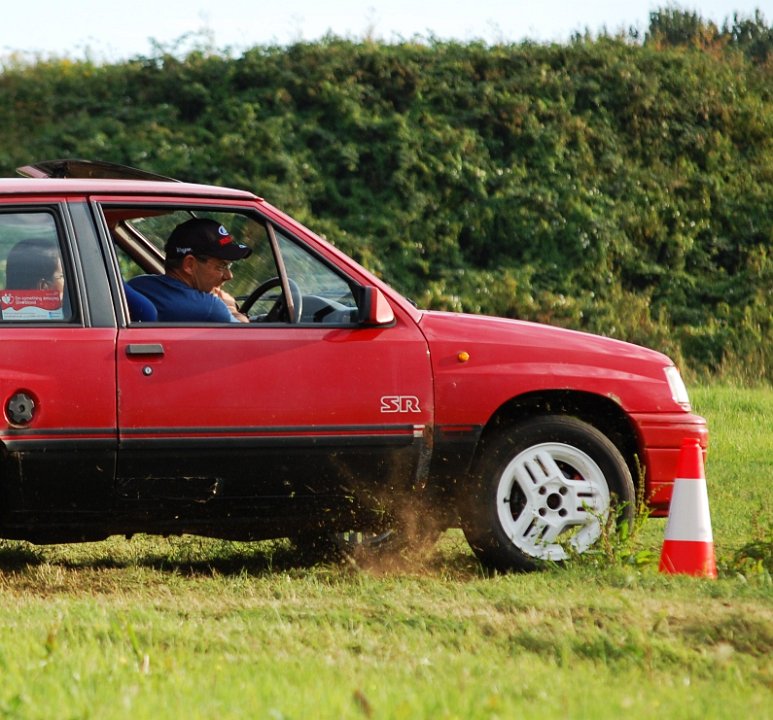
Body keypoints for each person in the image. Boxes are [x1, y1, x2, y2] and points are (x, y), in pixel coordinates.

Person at [129, 218, 252, 323]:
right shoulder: (211, 308)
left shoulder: (138, 285)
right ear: (189, 264)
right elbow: (249, 338)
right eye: (222, 266)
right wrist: (232, 310)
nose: (229, 276)